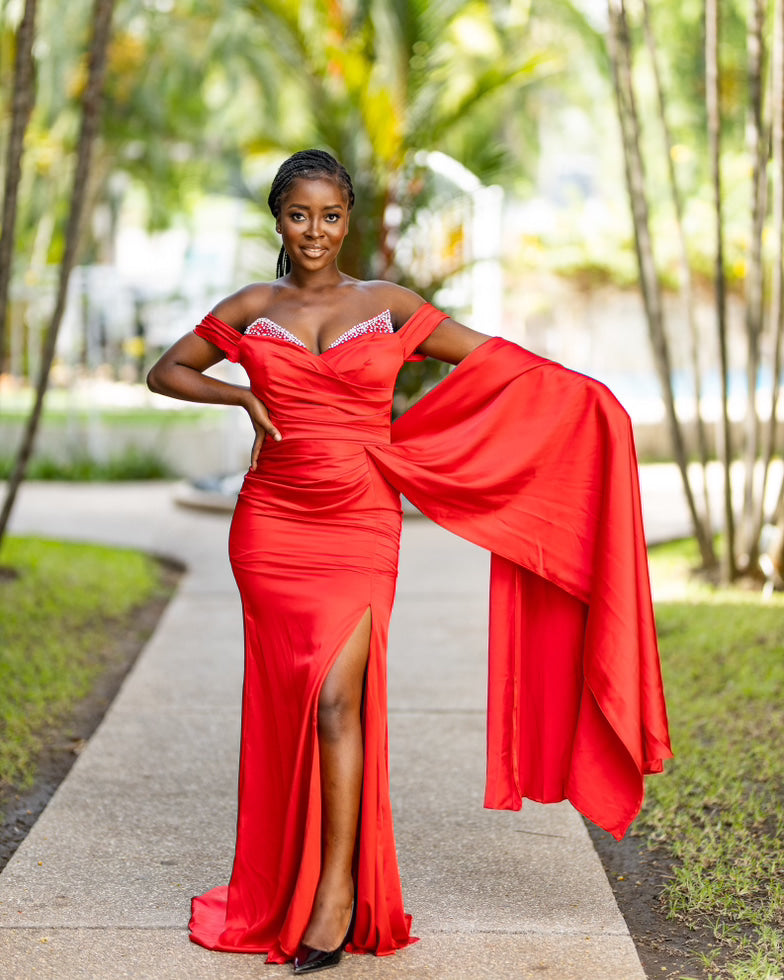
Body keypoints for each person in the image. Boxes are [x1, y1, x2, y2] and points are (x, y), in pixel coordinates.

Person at [147, 148, 672, 974]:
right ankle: (299, 881)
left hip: (359, 524)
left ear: (347, 219)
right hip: (270, 527)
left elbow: (494, 363)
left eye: (329, 216)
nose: (314, 231)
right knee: (294, 706)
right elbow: (165, 370)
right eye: (298, 215)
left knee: (336, 704)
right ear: (277, 220)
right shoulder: (251, 307)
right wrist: (241, 393)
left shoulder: (385, 305)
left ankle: (336, 897)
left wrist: (585, 397)